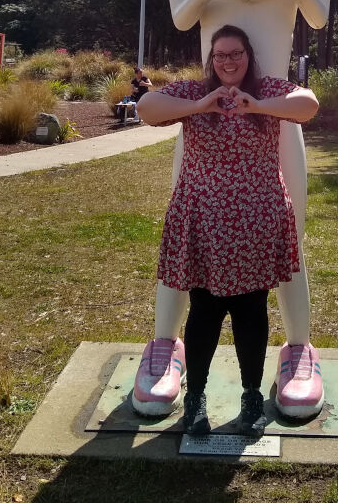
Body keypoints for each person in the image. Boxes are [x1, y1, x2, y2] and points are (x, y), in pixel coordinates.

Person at [133, 25, 319, 436]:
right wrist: (202, 105)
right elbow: (146, 107)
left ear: (247, 56)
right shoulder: (192, 93)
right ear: (211, 60)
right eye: (220, 55)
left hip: (255, 220)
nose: (228, 61)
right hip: (204, 219)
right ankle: (195, 398)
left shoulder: (269, 90)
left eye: (235, 53)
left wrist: (258, 106)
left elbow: (308, 104)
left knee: (251, 311)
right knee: (204, 311)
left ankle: (251, 396)